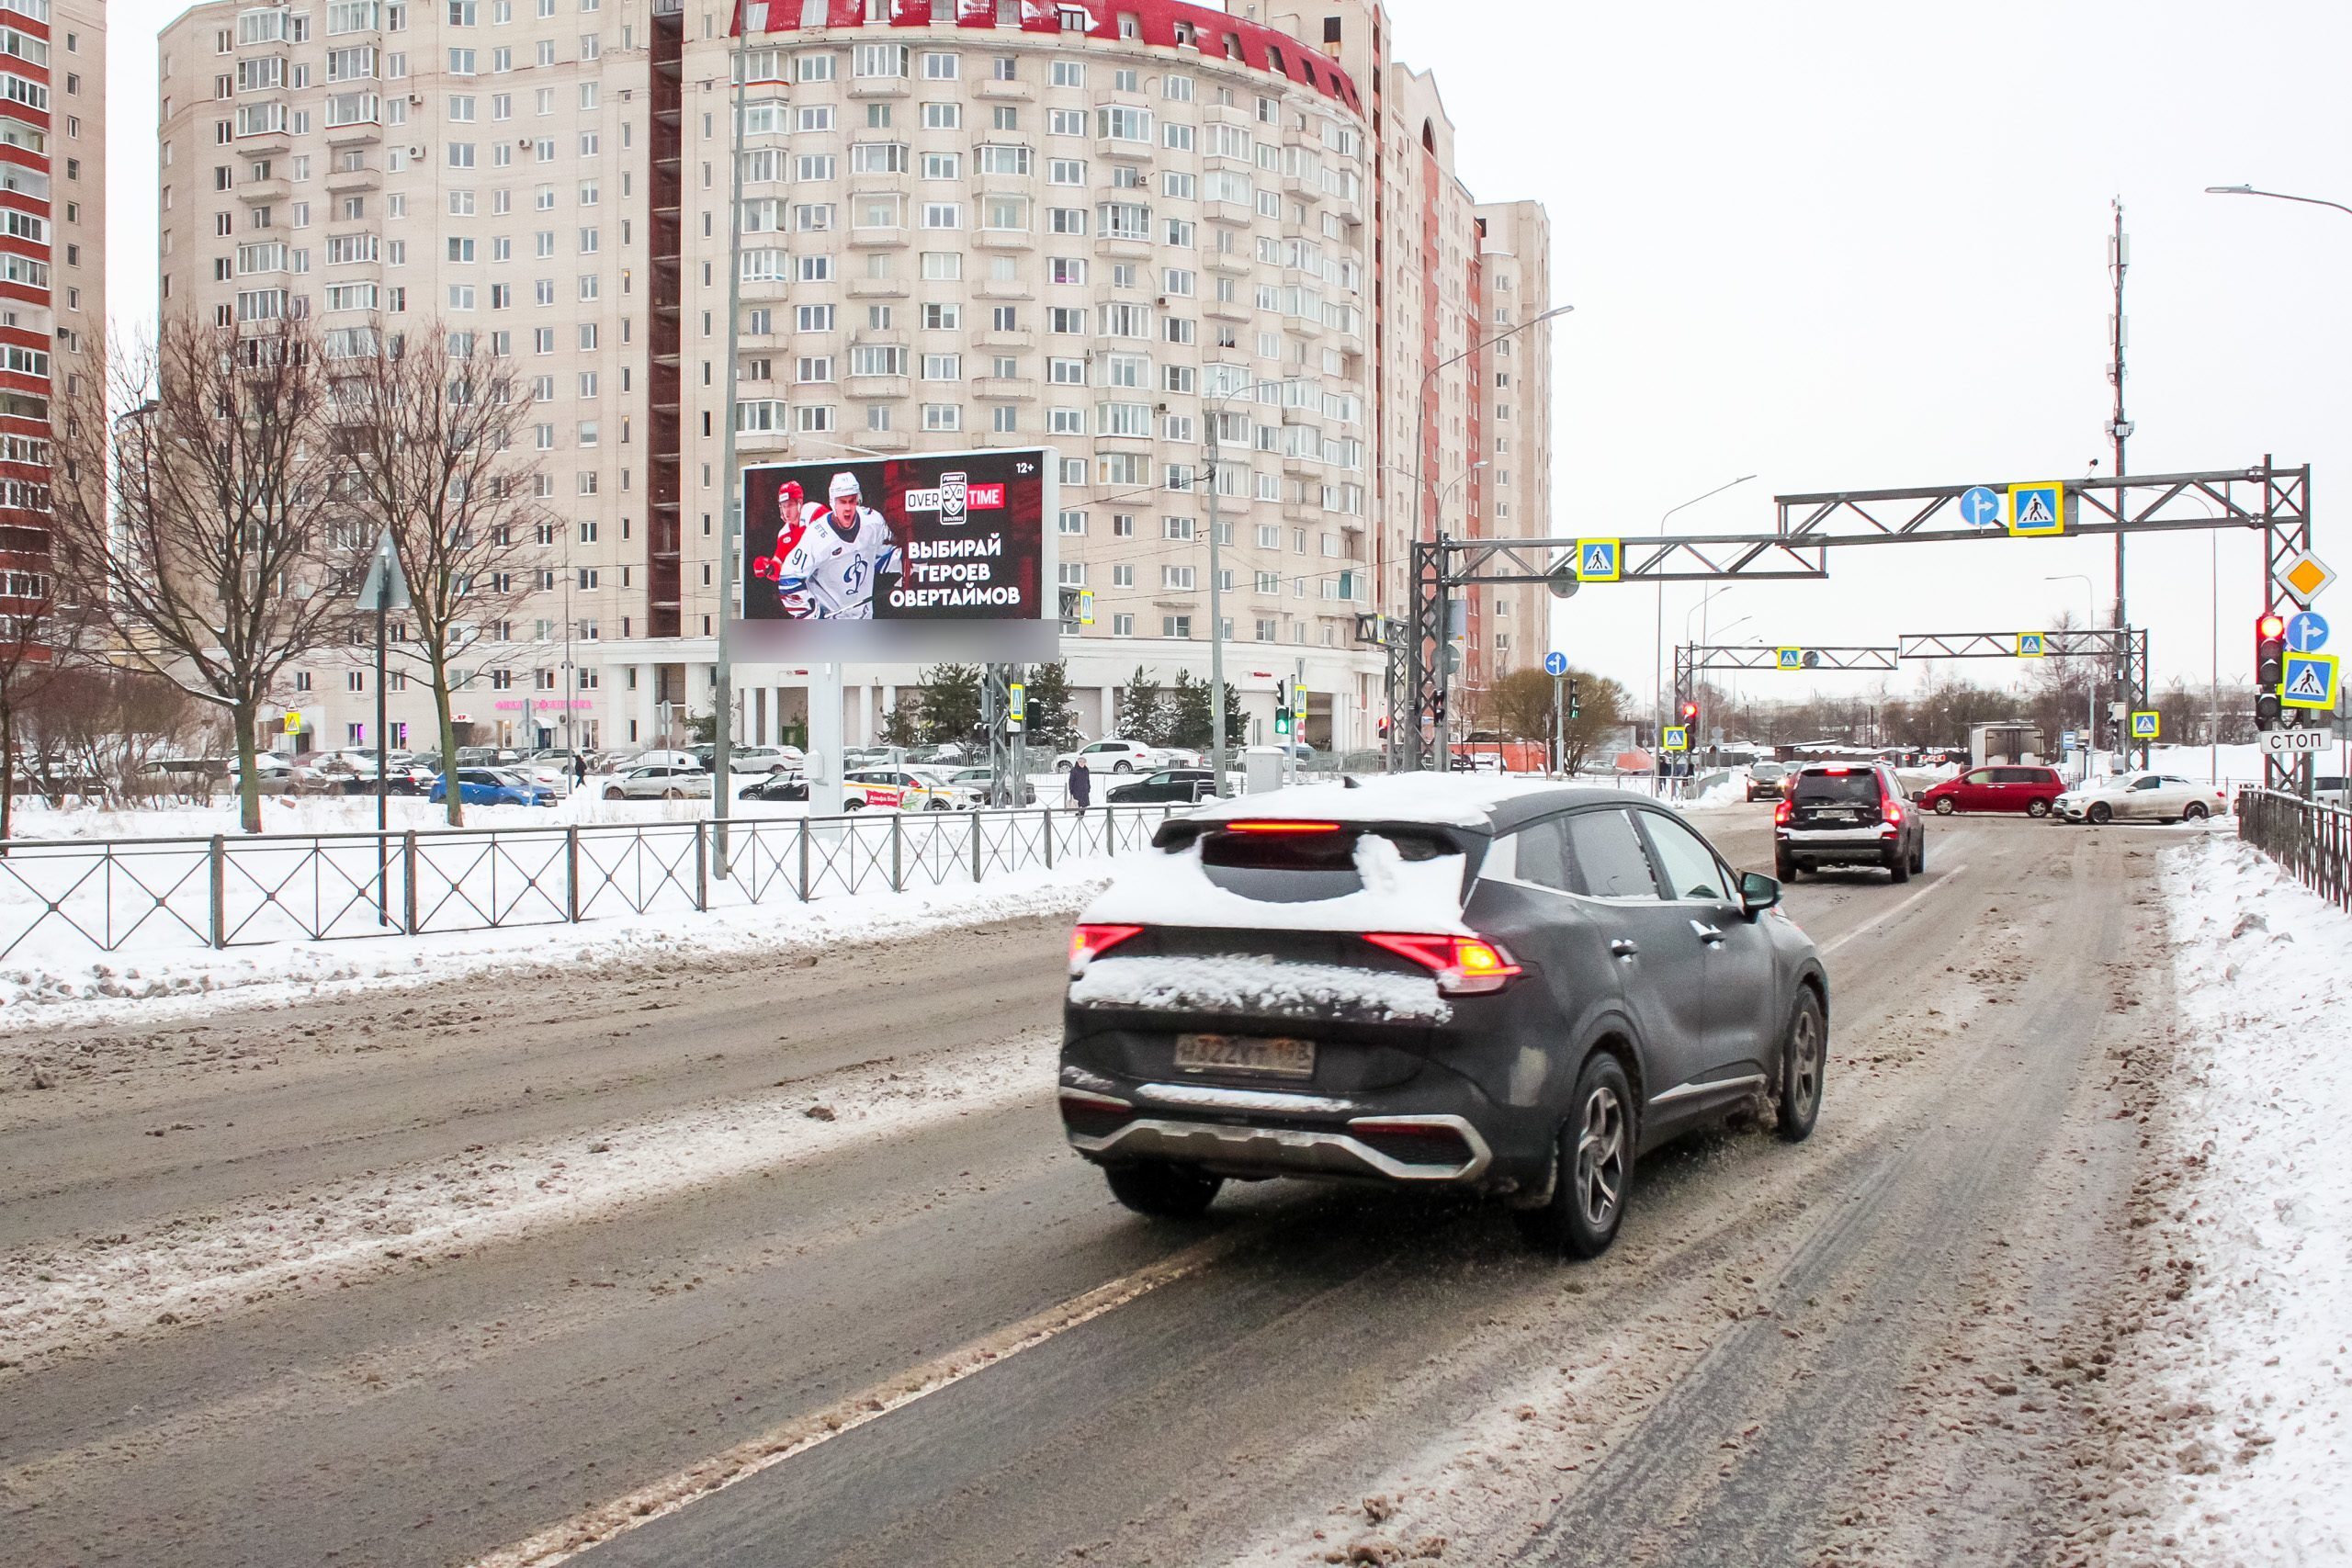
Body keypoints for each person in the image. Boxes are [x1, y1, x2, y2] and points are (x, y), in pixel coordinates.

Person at [770, 471, 901, 619]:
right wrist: (813, 615)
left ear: (858, 500)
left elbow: (882, 558)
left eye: (852, 501)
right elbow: (788, 580)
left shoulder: (873, 522)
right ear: (833, 503)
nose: (848, 508)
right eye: (842, 502)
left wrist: (913, 566)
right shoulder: (816, 535)